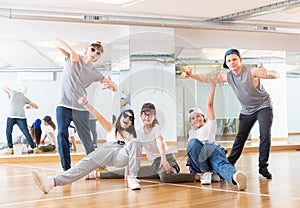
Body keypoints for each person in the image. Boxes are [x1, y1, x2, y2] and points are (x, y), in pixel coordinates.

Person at [181, 48, 280, 179]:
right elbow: (209, 80)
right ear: (226, 63)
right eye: (229, 60)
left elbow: (276, 74)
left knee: (265, 135)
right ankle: (229, 164)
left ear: (240, 60)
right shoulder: (228, 76)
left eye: (234, 59)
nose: (232, 62)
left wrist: (267, 72)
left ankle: (263, 167)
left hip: (263, 106)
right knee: (240, 139)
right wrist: (192, 75)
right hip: (246, 110)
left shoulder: (251, 71)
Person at [32, 96, 142, 194]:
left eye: (130, 118)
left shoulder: (133, 135)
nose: (127, 119)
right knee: (85, 163)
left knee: (135, 142)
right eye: (125, 116)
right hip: (108, 150)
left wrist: (128, 175)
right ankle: (52, 182)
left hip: (121, 155)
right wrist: (86, 104)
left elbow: (134, 154)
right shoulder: (112, 129)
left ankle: (133, 178)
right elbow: (98, 116)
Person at [54, 37, 117, 171]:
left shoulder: (94, 72)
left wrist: (113, 85)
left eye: (98, 53)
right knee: (61, 133)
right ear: (87, 50)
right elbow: (56, 40)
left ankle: (95, 164)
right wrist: (72, 52)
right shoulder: (71, 58)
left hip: (80, 108)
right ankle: (67, 168)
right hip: (63, 105)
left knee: (86, 139)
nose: (95, 53)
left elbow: (112, 86)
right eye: (93, 49)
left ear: (98, 58)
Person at [98, 103, 195, 183]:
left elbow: (159, 143)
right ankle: (98, 174)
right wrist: (128, 171)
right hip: (154, 165)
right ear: (141, 115)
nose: (147, 117)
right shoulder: (138, 131)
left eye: (150, 115)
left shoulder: (156, 128)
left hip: (167, 160)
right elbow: (132, 151)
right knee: (129, 172)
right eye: (145, 114)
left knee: (166, 178)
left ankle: (195, 177)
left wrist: (164, 159)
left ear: (154, 116)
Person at [186, 74, 247, 191]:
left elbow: (209, 105)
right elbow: (192, 153)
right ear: (191, 122)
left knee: (220, 163)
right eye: (193, 118)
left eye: (198, 116)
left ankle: (235, 176)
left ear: (203, 117)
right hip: (200, 160)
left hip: (211, 150)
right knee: (192, 143)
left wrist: (213, 85)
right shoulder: (191, 133)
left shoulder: (210, 125)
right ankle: (207, 172)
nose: (196, 119)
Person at [0, 84, 41, 154]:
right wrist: (32, 106)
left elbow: (3, 87)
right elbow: (36, 106)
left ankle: (10, 148)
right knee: (26, 133)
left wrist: (8, 93)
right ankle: (34, 147)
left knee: (8, 132)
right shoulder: (24, 97)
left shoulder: (13, 92)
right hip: (21, 117)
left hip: (11, 115)